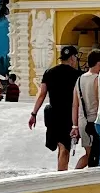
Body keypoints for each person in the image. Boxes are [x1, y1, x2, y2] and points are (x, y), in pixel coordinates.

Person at [28, 44, 82, 172]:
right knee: (65, 148)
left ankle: (60, 171)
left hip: (53, 115)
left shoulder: (49, 72)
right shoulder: (77, 75)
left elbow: (42, 95)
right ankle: (61, 177)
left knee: (60, 146)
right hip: (68, 115)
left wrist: (33, 114)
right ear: (72, 58)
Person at [74, 49, 100, 168]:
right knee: (97, 155)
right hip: (96, 122)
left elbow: (75, 105)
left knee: (88, 154)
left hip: (83, 122)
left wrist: (75, 125)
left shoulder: (79, 79)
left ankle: (74, 174)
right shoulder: (98, 79)